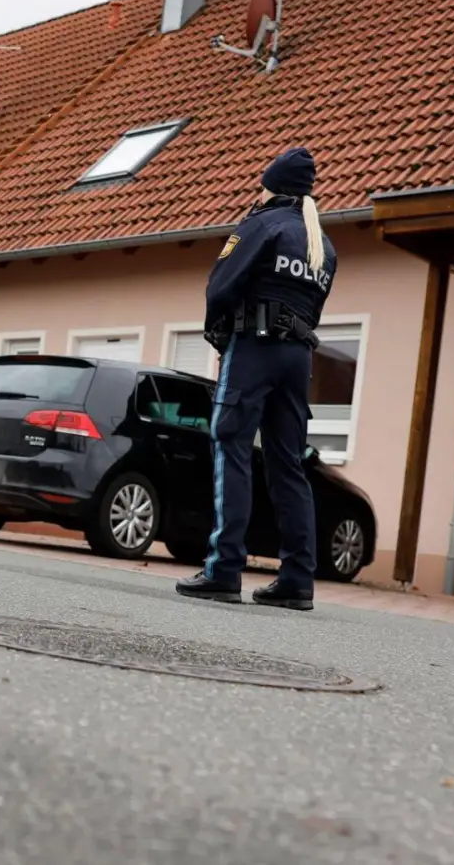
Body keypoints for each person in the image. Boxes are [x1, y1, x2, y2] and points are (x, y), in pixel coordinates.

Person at [175, 147, 338, 611]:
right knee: (289, 465)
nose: (257, 192)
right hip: (297, 358)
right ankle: (296, 581)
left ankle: (223, 571)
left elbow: (220, 286)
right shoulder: (322, 246)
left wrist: (219, 337)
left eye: (261, 184)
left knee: (231, 447)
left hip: (255, 349)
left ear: (273, 187)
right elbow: (313, 310)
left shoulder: (260, 225)